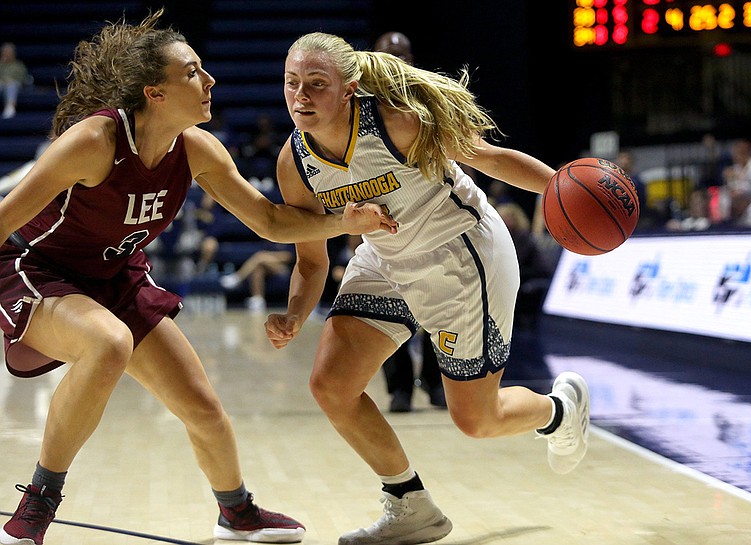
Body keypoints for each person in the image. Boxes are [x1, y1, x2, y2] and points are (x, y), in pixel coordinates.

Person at [0, 13, 395, 545]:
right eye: (192, 72)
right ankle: (37, 506)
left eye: (204, 69)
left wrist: (343, 221)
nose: (209, 80)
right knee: (109, 343)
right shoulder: (94, 140)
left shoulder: (195, 149)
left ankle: (236, 512)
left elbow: (271, 221)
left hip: (116, 278)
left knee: (203, 408)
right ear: (155, 93)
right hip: (36, 271)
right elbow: (3, 221)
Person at [266, 32, 591, 545]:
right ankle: (410, 506)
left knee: (476, 422)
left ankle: (558, 410)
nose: (301, 96)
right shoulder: (294, 163)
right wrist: (291, 313)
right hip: (385, 260)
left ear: (349, 89)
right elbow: (311, 259)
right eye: (291, 84)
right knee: (331, 385)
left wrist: (563, 191)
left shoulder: (396, 121)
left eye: (316, 84)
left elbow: (488, 156)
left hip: (462, 259)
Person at [372, 31, 445, 414]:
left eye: (403, 54)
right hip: (383, 225)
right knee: (390, 313)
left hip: (432, 221)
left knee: (436, 312)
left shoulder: (430, 100)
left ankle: (435, 383)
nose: (397, 61)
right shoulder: (363, 105)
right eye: (390, 55)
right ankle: (399, 388)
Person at [219, 244, 295, 312]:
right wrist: (269, 257)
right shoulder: (270, 239)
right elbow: (265, 251)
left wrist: (270, 256)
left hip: (285, 269)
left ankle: (238, 277)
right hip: (269, 266)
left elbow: (288, 256)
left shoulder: (289, 239)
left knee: (259, 257)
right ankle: (258, 300)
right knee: (258, 270)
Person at [0, 42, 29, 119]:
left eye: (9, 52)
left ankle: (10, 107)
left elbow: (22, 77)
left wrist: (10, 80)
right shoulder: (1, 65)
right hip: (1, 84)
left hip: (15, 84)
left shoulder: (18, 65)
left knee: (11, 85)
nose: (7, 54)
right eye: (5, 52)